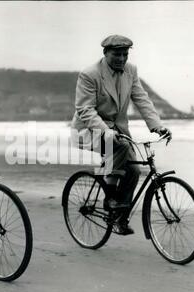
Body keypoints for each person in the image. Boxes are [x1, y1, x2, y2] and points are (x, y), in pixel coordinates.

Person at [71, 34, 172, 235]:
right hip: (90, 129)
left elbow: (141, 99)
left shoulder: (131, 71)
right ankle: (110, 198)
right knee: (121, 147)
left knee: (133, 171)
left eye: (125, 54)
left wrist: (157, 126)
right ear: (105, 53)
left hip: (118, 131)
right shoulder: (89, 74)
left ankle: (119, 218)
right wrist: (107, 132)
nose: (122, 59)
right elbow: (86, 110)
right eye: (117, 54)